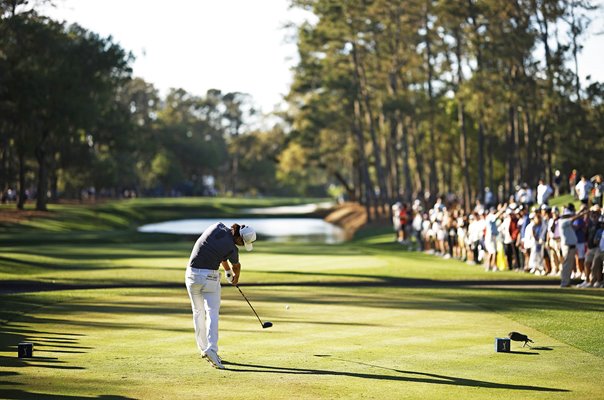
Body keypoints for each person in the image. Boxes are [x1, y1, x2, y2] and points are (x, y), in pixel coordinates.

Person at [185, 222, 257, 369]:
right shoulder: (233, 249)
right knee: (212, 312)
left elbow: (219, 253)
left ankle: (203, 349)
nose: (242, 246)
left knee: (198, 312)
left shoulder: (217, 226)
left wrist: (227, 271)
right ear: (239, 238)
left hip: (191, 275)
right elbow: (237, 266)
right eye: (243, 243)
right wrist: (235, 278)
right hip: (209, 277)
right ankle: (212, 349)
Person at [559, 205, 588, 287]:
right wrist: (583, 213)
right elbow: (573, 218)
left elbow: (573, 217)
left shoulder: (566, 222)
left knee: (569, 265)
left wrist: (581, 211)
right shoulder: (564, 222)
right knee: (567, 265)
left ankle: (566, 282)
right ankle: (564, 282)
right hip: (568, 246)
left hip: (570, 246)